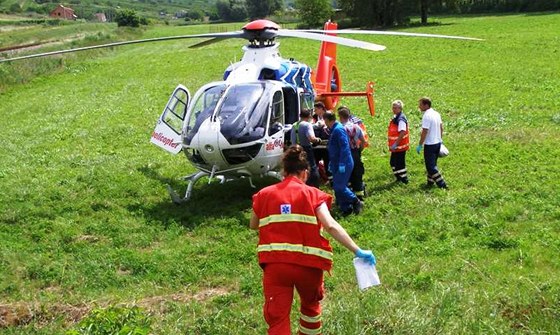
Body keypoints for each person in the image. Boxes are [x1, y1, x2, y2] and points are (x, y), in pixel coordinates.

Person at [250, 145, 376, 335]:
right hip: (308, 265)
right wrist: (357, 250)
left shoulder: (264, 194)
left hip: (276, 266)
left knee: (277, 317)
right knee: (310, 310)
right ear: (305, 173)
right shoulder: (313, 194)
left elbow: (253, 224)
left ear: (284, 171)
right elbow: (331, 225)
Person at [324, 111, 364, 215]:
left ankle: (356, 201)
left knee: (339, 187)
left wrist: (342, 163)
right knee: (338, 187)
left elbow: (344, 147)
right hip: (337, 162)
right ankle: (346, 208)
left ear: (327, 120)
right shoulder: (335, 129)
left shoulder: (338, 130)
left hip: (344, 162)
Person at [416, 97, 448, 189]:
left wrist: (420, 144)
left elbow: (425, 131)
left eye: (421, 104)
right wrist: (440, 139)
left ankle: (442, 184)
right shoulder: (436, 114)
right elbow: (441, 127)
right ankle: (430, 182)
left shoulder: (426, 116)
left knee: (430, 167)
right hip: (437, 142)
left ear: (426, 105)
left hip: (430, 144)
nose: (419, 106)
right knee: (433, 163)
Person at [337, 106, 367, 200]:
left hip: (346, 154)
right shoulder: (356, 126)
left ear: (341, 117)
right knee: (357, 174)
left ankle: (350, 196)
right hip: (355, 153)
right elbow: (363, 141)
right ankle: (360, 195)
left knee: (347, 175)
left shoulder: (340, 128)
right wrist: (359, 151)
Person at [291, 108, 322, 188]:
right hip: (306, 149)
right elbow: (311, 138)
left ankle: (301, 185)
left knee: (299, 168)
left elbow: (292, 140)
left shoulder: (294, 125)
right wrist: (318, 140)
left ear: (300, 115)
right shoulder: (307, 125)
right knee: (312, 167)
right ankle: (314, 186)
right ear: (309, 116)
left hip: (296, 149)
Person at [387, 100, 410, 184]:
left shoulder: (400, 119)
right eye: (393, 107)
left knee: (400, 163)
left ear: (400, 109)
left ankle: (404, 179)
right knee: (393, 162)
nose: (393, 109)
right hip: (396, 146)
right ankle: (399, 177)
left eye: (395, 108)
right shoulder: (396, 117)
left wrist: (396, 143)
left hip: (400, 146)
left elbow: (403, 131)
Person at [312, 101, 331, 183]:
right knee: (314, 163)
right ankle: (317, 179)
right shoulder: (315, 117)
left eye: (316, 109)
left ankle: (330, 181)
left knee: (328, 164)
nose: (314, 111)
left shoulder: (328, 116)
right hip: (316, 146)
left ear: (321, 109)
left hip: (326, 146)